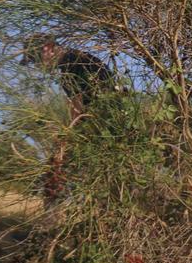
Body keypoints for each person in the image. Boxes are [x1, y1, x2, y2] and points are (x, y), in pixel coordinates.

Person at [21, 35, 120, 201]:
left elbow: (77, 109)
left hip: (102, 127)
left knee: (62, 170)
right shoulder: (81, 58)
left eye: (35, 59)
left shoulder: (70, 67)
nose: (37, 65)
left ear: (48, 48)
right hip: (111, 122)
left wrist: (64, 143)